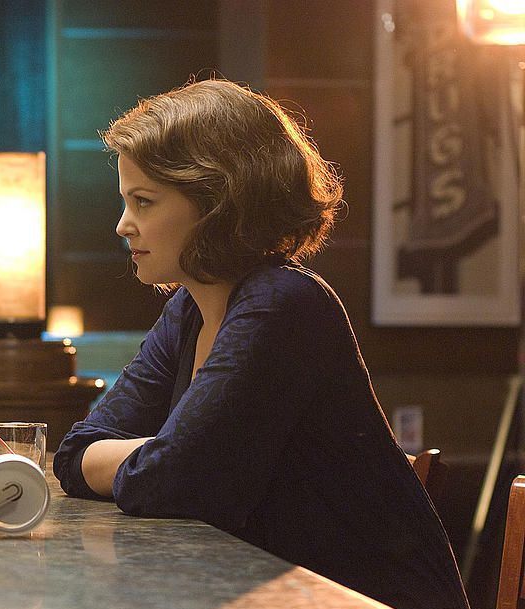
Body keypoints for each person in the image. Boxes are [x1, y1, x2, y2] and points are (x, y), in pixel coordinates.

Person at [52, 79, 468, 609]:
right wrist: (168, 452)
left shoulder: (284, 304)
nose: (122, 225)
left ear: (218, 204)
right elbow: (75, 454)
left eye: (144, 202)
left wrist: (171, 458)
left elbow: (175, 483)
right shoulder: (188, 309)